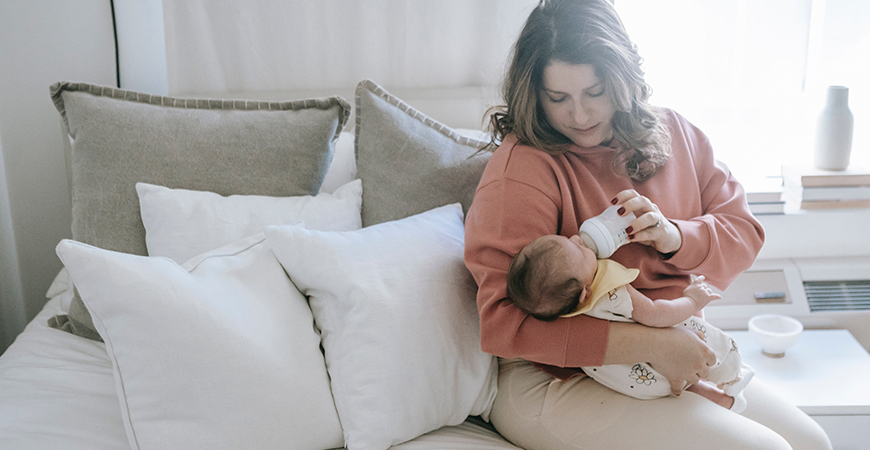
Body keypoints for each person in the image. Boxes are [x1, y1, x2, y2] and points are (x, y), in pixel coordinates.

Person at [462, 0, 833, 448]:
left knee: (814, 443)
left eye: (595, 91)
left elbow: (745, 233)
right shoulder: (525, 168)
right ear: (533, 93)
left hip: (673, 347)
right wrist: (654, 345)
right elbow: (504, 323)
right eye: (557, 98)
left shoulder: (675, 133)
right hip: (557, 374)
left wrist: (676, 236)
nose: (579, 116)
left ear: (624, 78)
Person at [507, 233, 754, 412]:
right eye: (581, 251)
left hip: (631, 381)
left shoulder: (563, 310)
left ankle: (721, 401)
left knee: (681, 385)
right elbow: (656, 314)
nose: (577, 238)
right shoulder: (611, 290)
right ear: (586, 293)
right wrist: (692, 300)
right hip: (663, 358)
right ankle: (732, 378)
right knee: (703, 337)